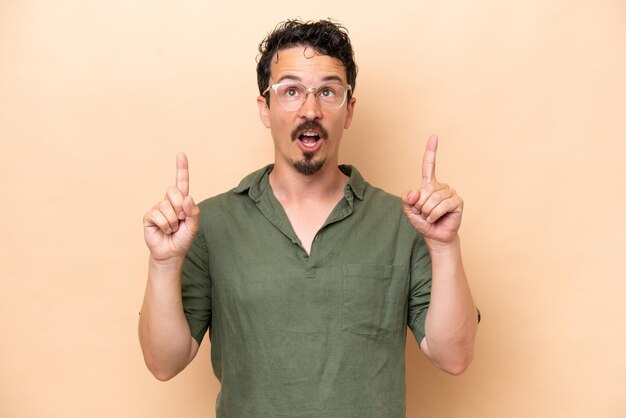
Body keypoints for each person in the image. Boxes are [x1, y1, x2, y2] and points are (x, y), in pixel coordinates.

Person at [138, 19, 479, 417]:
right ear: (265, 108)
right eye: (291, 91)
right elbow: (164, 363)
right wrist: (163, 263)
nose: (310, 110)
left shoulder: (404, 222)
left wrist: (444, 245)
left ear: (348, 110)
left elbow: (453, 357)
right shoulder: (208, 224)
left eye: (328, 92)